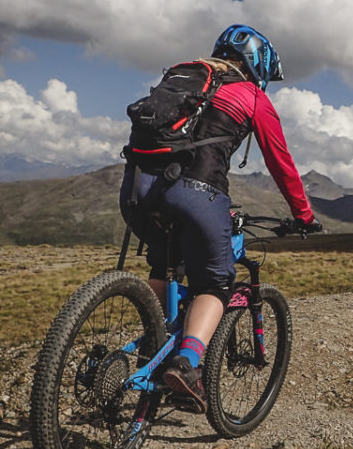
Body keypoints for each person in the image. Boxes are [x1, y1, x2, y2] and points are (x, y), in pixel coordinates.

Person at [119, 24, 320, 410]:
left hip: (137, 190)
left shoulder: (182, 77)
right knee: (215, 281)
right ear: (257, 66)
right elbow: (282, 165)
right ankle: (187, 364)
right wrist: (304, 216)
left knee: (164, 265)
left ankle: (152, 346)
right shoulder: (251, 96)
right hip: (196, 192)